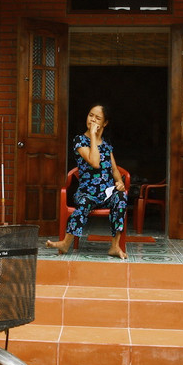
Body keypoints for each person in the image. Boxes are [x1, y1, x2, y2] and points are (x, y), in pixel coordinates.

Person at [46, 103, 128, 259]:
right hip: (86, 192)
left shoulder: (107, 144)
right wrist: (93, 136)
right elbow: (94, 162)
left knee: (121, 197)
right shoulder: (79, 140)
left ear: (105, 123)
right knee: (84, 203)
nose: (93, 120)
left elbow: (114, 169)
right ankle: (65, 243)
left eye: (98, 118)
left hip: (106, 194)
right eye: (91, 115)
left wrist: (119, 182)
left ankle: (115, 246)